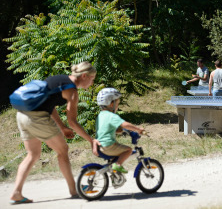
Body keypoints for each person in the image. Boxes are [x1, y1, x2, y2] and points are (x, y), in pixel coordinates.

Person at [10, 61, 100, 204]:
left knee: (33, 154)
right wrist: (91, 140)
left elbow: (50, 105)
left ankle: (16, 192)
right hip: (37, 118)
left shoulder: (59, 79)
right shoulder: (72, 91)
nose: (92, 82)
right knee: (63, 150)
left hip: (22, 115)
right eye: (92, 78)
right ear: (84, 76)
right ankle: (74, 190)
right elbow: (73, 122)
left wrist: (62, 127)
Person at [96, 87, 144, 173]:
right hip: (109, 146)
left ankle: (114, 174)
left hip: (100, 146)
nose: (117, 106)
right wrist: (138, 129)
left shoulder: (101, 115)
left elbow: (110, 129)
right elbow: (125, 124)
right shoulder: (111, 116)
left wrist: (121, 130)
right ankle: (117, 165)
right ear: (111, 104)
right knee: (128, 150)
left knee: (118, 152)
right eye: (117, 103)